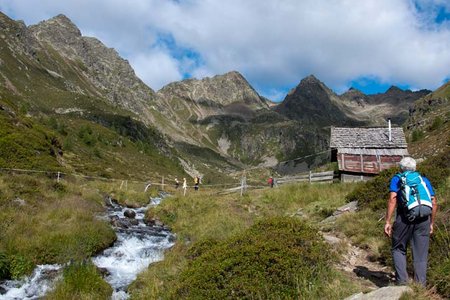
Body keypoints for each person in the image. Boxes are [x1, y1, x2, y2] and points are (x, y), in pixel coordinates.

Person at [384, 157, 437, 286]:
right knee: (420, 255)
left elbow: (392, 199)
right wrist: (431, 223)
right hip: (424, 219)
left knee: (398, 248)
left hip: (404, 218)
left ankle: (402, 283)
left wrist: (388, 221)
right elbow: (434, 202)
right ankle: (420, 288)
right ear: (415, 168)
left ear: (401, 168)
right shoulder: (423, 180)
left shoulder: (397, 179)